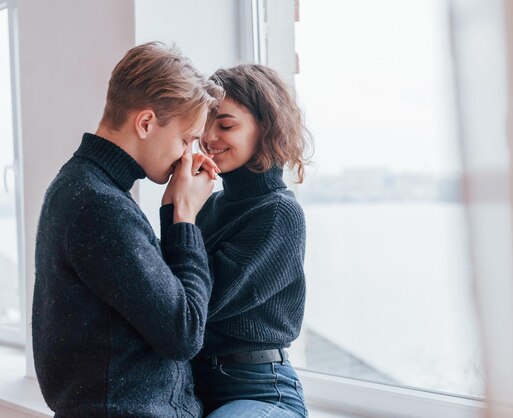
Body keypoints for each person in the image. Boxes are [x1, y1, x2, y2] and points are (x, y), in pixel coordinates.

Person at [32, 42, 223, 418]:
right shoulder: (99, 203)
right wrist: (183, 217)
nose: (188, 154)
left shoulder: (82, 187)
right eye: (186, 139)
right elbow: (183, 332)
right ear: (146, 122)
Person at [161, 64, 312, 417]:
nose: (209, 137)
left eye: (226, 124)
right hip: (190, 388)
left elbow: (199, 304)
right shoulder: (208, 204)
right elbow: (166, 291)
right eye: (206, 123)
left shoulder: (278, 213)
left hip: (259, 389)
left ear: (266, 128)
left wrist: (180, 212)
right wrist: (174, 207)